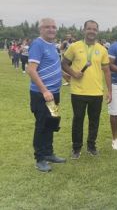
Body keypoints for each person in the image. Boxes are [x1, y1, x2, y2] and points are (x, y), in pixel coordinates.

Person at [62, 20, 112, 159]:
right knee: (78, 120)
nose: (92, 31)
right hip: (78, 91)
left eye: (94, 29)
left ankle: (91, 146)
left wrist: (110, 90)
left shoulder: (102, 49)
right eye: (89, 28)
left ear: (97, 31)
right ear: (84, 30)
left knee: (94, 120)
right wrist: (73, 73)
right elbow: (64, 63)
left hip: (96, 92)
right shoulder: (74, 46)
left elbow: (107, 71)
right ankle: (76, 148)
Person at [27, 18, 66, 172]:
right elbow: (31, 70)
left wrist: (66, 76)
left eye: (54, 27)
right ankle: (40, 159)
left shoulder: (52, 46)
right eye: (47, 27)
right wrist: (44, 90)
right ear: (40, 29)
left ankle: (49, 153)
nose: (51, 29)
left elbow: (53, 67)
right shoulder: (38, 44)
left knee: (51, 123)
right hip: (42, 95)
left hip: (54, 94)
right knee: (42, 124)